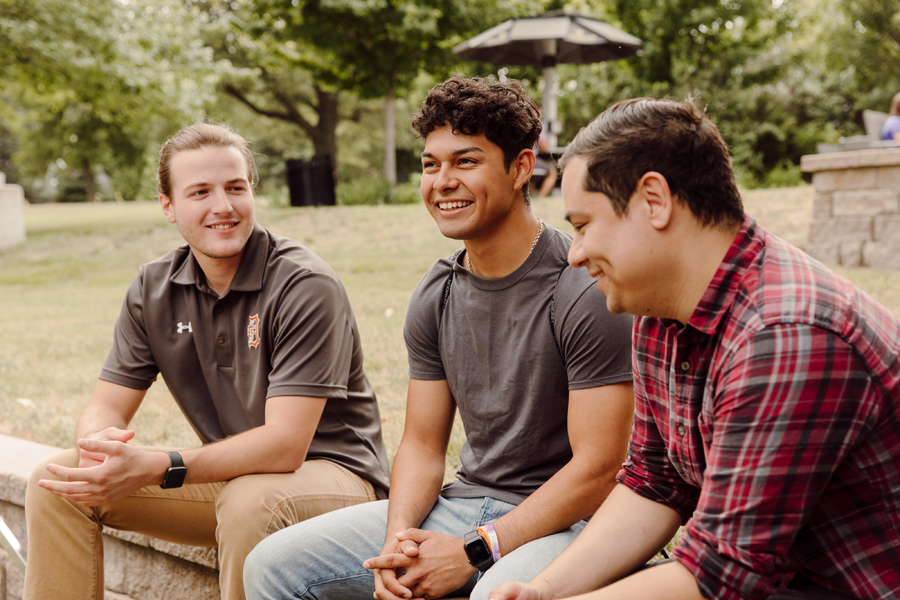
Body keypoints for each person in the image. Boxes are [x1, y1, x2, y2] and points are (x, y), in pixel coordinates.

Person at [489, 98, 900, 600]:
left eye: (583, 225)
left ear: (654, 201)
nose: (574, 254)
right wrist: (545, 590)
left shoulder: (784, 332)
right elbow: (655, 483)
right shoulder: (657, 310)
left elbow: (722, 573)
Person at [243, 76, 635, 600]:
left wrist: (476, 549)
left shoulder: (580, 286)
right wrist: (397, 545)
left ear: (520, 168)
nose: (442, 181)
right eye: (431, 164)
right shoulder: (438, 292)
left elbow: (599, 469)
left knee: (493, 593)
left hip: (572, 520)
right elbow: (423, 445)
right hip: (467, 503)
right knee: (272, 565)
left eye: (466, 161)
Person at [24, 122, 391, 600]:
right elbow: (106, 405)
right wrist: (98, 446)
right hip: (236, 479)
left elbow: (285, 446)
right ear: (168, 206)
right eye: (200, 192)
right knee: (59, 483)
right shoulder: (153, 287)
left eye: (235, 187)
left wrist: (160, 465)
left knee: (248, 502)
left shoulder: (303, 283)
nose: (223, 206)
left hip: (340, 483)